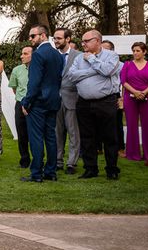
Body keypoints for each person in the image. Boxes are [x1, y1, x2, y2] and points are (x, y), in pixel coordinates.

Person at [67, 30, 121, 180]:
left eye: (86, 41)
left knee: (110, 137)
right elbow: (71, 76)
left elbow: (108, 70)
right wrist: (93, 71)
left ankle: (112, 169)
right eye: (82, 41)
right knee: (87, 137)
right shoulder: (78, 58)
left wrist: (91, 59)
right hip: (83, 103)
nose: (83, 43)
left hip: (106, 102)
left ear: (97, 41)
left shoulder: (111, 56)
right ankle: (90, 169)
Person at [20, 25, 63, 182]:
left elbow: (34, 82)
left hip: (39, 102)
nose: (30, 39)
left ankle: (36, 173)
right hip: (53, 100)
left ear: (43, 36)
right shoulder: (57, 55)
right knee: (50, 137)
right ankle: (51, 172)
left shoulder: (38, 54)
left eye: (33, 36)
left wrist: (26, 102)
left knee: (36, 137)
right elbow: (58, 79)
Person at [120, 42, 148, 161]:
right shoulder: (127, 64)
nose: (135, 53)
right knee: (131, 126)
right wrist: (135, 92)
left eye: (138, 51)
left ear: (144, 52)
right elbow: (123, 81)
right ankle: (132, 154)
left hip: (147, 98)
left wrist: (144, 92)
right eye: (134, 51)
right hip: (130, 98)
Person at [53, 28, 81, 175]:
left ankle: (72, 163)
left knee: (73, 132)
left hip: (72, 99)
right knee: (57, 132)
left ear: (68, 39)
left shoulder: (79, 56)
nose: (56, 41)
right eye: (54, 38)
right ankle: (58, 161)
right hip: (55, 100)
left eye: (59, 38)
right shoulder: (52, 56)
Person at [9, 45, 33, 168]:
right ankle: (24, 160)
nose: (21, 56)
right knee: (21, 133)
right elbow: (14, 87)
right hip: (20, 104)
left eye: (25, 54)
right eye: (22, 53)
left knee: (35, 133)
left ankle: (37, 159)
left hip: (34, 105)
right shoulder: (17, 70)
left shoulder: (39, 69)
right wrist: (21, 99)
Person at [102, 40, 126, 157]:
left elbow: (124, 83)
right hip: (101, 95)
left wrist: (121, 98)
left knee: (117, 123)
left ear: (112, 51)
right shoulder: (97, 63)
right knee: (98, 123)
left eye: (106, 48)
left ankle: (120, 148)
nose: (103, 51)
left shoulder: (122, 65)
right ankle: (98, 147)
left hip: (116, 95)